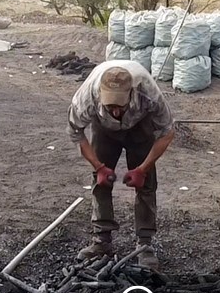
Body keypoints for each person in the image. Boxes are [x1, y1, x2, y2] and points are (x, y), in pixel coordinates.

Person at [68, 61, 176, 270]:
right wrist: (98, 167)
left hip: (140, 124)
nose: (116, 112)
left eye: (120, 106)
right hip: (103, 128)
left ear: (131, 94)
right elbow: (75, 132)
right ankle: (101, 241)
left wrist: (142, 169)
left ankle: (144, 245)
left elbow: (167, 132)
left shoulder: (148, 92)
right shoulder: (87, 98)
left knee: (146, 183)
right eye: (111, 107)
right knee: (100, 182)